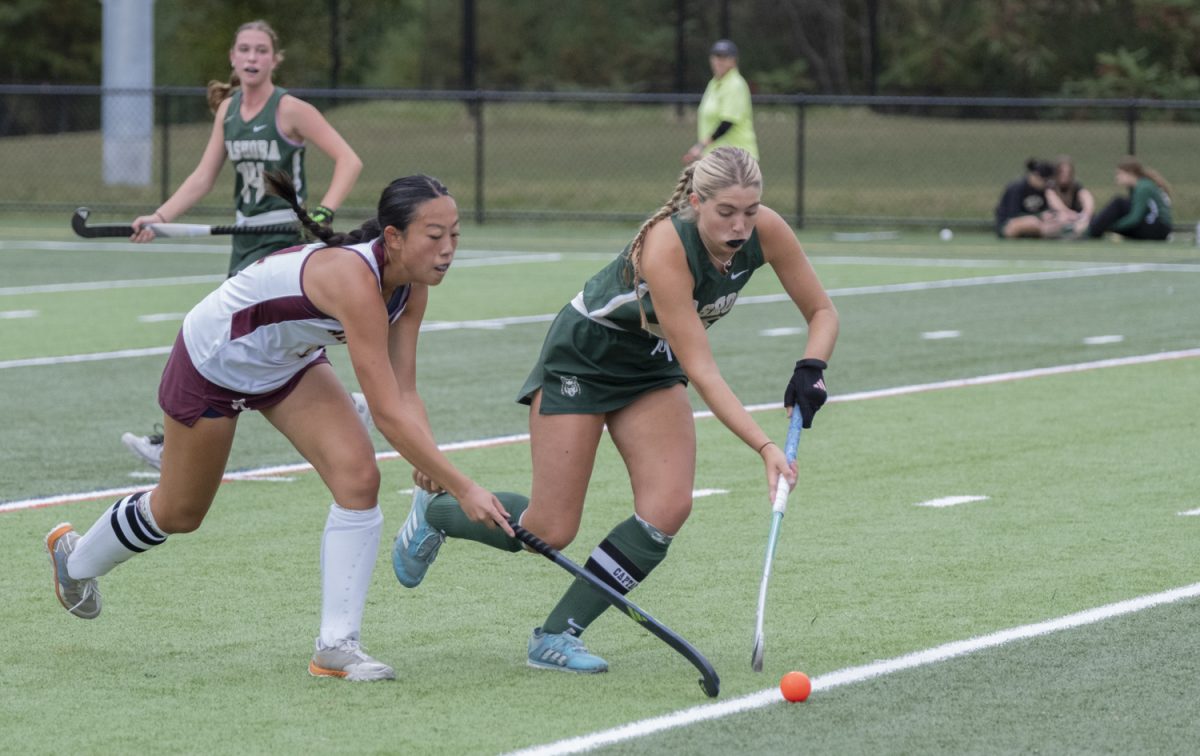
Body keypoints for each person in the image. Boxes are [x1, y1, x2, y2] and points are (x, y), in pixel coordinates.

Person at [46, 171, 514, 682]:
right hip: (213, 359)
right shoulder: (355, 282)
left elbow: (406, 393)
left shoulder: (411, 290)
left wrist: (431, 460)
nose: (448, 249)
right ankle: (73, 561)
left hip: (285, 364)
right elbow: (384, 409)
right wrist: (461, 485)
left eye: (455, 235)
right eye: (435, 236)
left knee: (359, 478)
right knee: (179, 512)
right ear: (395, 237)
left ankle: (336, 647)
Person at [392, 146, 838, 674]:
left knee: (667, 508)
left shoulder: (767, 230)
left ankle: (557, 634)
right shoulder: (667, 246)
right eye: (726, 213)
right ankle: (437, 512)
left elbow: (822, 310)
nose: (741, 226)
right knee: (550, 530)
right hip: (584, 357)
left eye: (751, 210)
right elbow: (703, 369)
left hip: (650, 367)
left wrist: (812, 365)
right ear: (696, 202)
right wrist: (764, 446)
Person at [121, 19, 364, 470]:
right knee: (270, 338)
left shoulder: (289, 109)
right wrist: (159, 218)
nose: (252, 58)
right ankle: (350, 407)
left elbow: (349, 160)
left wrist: (323, 213)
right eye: (245, 50)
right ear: (233, 58)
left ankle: (171, 445)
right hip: (244, 241)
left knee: (213, 332)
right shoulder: (229, 110)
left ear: (274, 59)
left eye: (261, 51)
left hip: (280, 242)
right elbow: (202, 178)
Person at [683, 39, 759, 165]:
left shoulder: (735, 84)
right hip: (716, 157)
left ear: (733, 61)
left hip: (736, 158)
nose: (719, 61)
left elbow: (727, 123)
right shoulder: (714, 83)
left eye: (724, 58)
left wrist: (701, 146)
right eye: (716, 57)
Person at [1084, 156, 1173, 241]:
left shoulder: (1143, 187)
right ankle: (1091, 228)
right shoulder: (1140, 186)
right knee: (1118, 207)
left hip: (1157, 230)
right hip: (1156, 227)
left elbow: (1135, 218)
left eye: (1119, 174)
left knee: (1118, 203)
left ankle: (1089, 232)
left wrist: (1111, 227)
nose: (1117, 178)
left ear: (1130, 173)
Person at [994, 158, 1073, 238]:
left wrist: (1051, 216)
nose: (1045, 183)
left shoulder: (1044, 190)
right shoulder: (1017, 187)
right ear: (1035, 175)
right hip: (1007, 226)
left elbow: (1046, 210)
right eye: (1044, 180)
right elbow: (1013, 215)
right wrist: (1039, 216)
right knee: (1032, 221)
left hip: (1038, 224)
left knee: (1058, 220)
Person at [1050, 155, 1095, 238]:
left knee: (1085, 221)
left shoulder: (1075, 185)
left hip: (1075, 217)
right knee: (1062, 218)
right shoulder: (1051, 186)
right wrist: (1069, 213)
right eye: (1062, 172)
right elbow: (1055, 203)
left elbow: (1086, 196)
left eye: (1068, 172)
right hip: (1057, 217)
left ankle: (1077, 232)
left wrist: (1086, 214)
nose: (1065, 175)